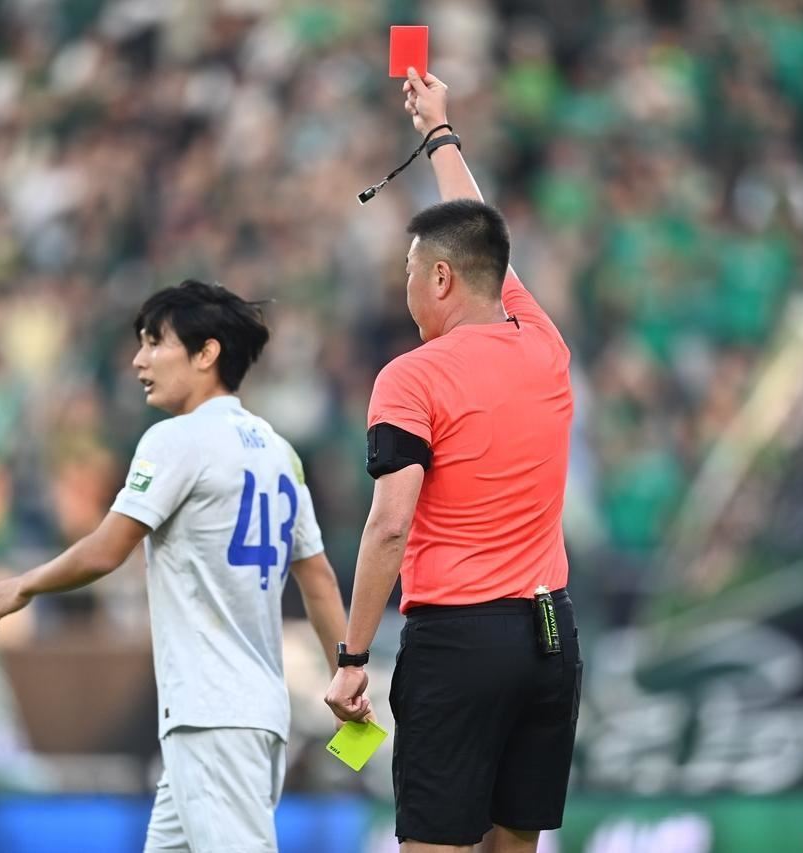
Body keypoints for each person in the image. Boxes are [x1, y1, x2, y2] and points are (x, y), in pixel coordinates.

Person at [0, 280, 360, 853]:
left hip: (212, 714)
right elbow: (318, 580)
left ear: (206, 353)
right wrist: (346, 676)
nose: (139, 360)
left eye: (154, 342)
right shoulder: (278, 451)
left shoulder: (176, 440)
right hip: (253, 712)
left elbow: (106, 549)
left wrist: (26, 584)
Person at [324, 69, 582, 853]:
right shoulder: (544, 344)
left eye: (409, 272)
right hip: (550, 638)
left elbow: (388, 525)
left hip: (459, 643)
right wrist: (438, 133)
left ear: (440, 278)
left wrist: (353, 656)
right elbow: (484, 236)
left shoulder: (412, 378)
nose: (404, 288)